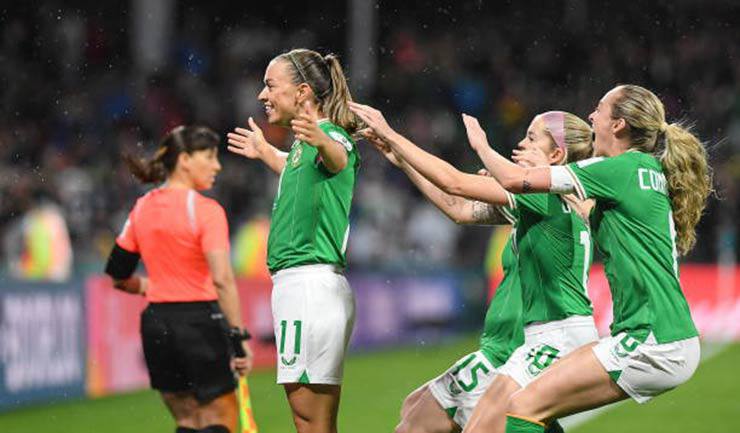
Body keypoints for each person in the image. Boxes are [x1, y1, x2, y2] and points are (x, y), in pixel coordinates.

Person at [464, 84, 711, 433]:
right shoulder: (643, 170)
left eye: (600, 109)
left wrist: (481, 145)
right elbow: (581, 206)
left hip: (651, 339)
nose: (592, 116)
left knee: (522, 406)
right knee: (535, 403)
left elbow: (514, 180)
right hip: (664, 334)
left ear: (618, 125)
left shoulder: (618, 168)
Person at [351, 104, 596, 433]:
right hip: (509, 344)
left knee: (420, 424)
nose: (521, 144)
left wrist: (393, 135)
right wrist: (403, 160)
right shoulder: (546, 201)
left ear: (555, 156)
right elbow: (460, 208)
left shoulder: (544, 197)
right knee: (415, 409)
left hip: (524, 345)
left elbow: (454, 183)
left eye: (532, 138)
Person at [226, 48, 361, 433]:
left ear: (302, 92)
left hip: (307, 290)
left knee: (309, 422)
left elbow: (337, 157)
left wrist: (321, 138)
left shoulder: (328, 136)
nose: (262, 95)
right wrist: (267, 152)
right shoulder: (305, 146)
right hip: (309, 289)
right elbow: (300, 169)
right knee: (316, 422)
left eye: (271, 85)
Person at [104, 125, 253, 433]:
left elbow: (118, 275)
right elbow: (222, 279)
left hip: (157, 326)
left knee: (186, 420)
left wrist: (153, 285)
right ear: (184, 159)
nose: (217, 166)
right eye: (209, 157)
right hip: (199, 322)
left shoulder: (142, 207)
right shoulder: (206, 210)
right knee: (221, 419)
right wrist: (239, 338)